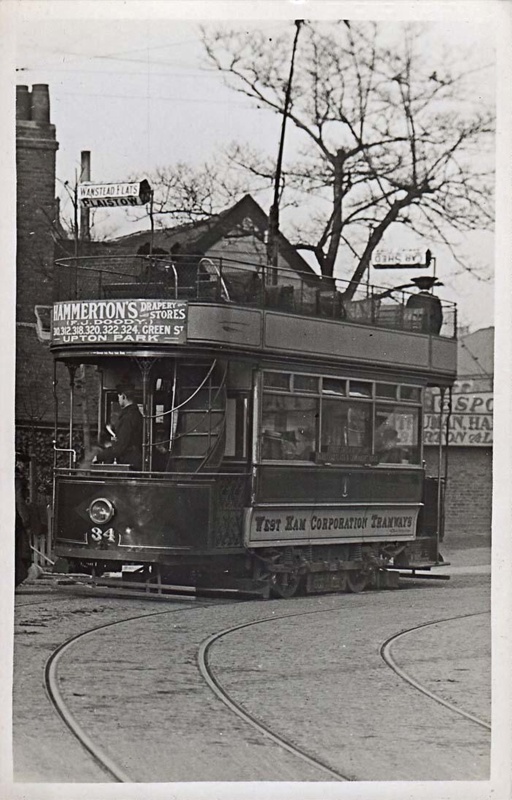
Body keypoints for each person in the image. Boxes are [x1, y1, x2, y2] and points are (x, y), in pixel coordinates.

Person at [94, 384, 143, 469]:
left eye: (119, 396)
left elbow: (120, 447)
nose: (118, 399)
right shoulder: (136, 414)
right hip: (135, 460)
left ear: (123, 396)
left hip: (128, 462)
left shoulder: (127, 417)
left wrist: (99, 456)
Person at [15, 453, 32, 587]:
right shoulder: (17, 480)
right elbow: (19, 500)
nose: (23, 466)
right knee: (20, 548)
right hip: (15, 519)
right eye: (21, 463)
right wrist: (25, 518)